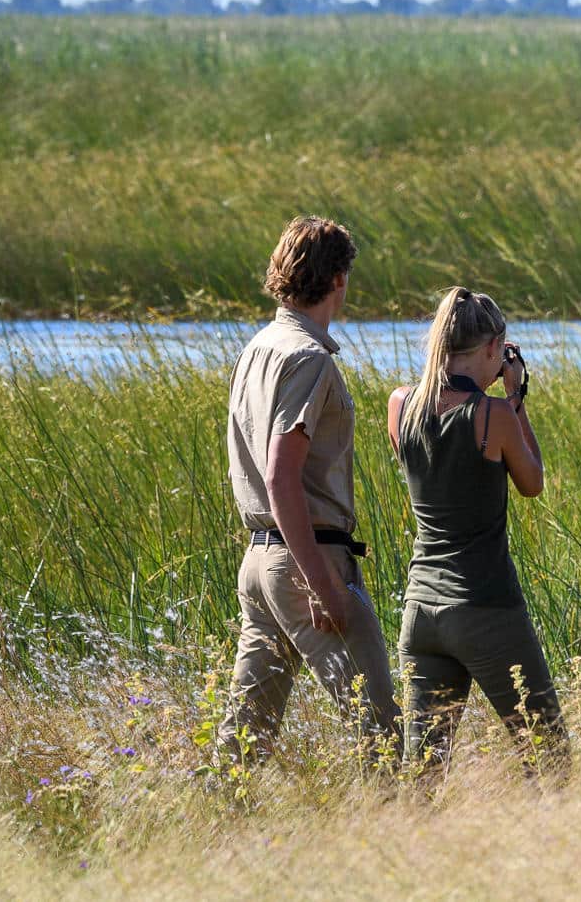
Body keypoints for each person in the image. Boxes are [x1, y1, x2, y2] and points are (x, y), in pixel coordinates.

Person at [217, 216, 398, 763]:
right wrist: (323, 585)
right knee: (384, 733)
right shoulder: (309, 359)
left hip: (260, 562)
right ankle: (406, 836)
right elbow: (279, 477)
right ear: (339, 279)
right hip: (306, 560)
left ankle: (208, 829)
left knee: (243, 743)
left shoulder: (258, 347)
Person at [385, 287, 565, 768]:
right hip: (484, 606)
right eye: (501, 350)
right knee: (551, 758)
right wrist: (515, 393)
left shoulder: (400, 405)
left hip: (421, 609)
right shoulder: (493, 415)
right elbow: (532, 483)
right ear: (491, 349)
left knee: (422, 775)